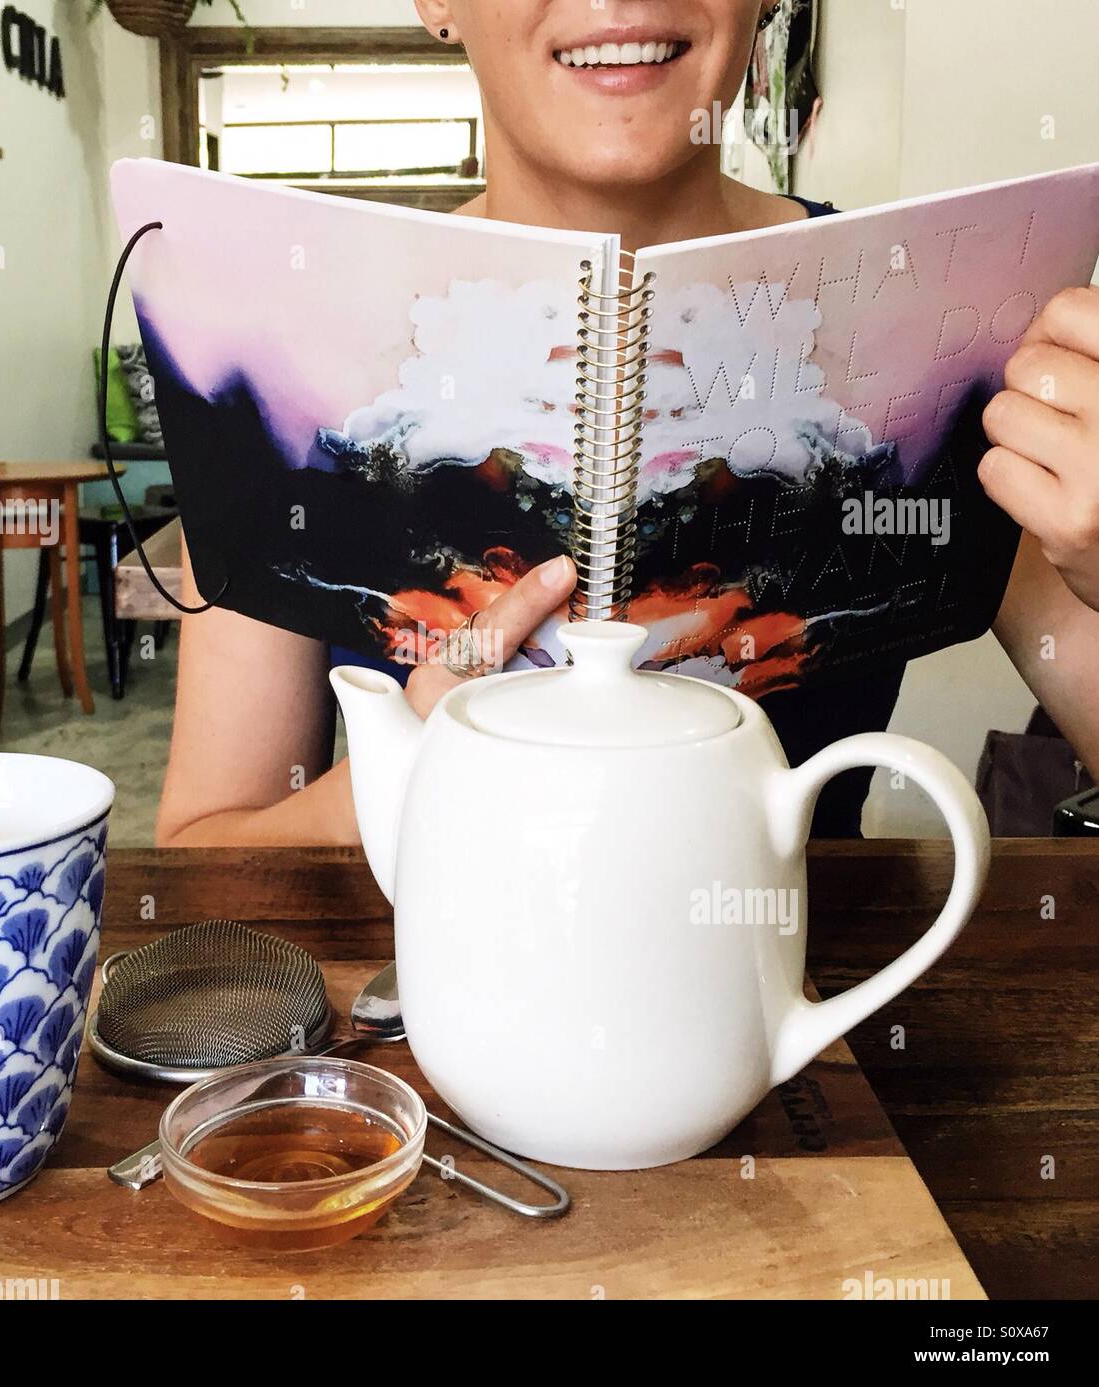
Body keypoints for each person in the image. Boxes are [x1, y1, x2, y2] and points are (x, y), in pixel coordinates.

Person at [157, 0, 1099, 846]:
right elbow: (205, 847)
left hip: (796, 1003)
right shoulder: (289, 359)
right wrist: (405, 778)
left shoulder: (935, 331)